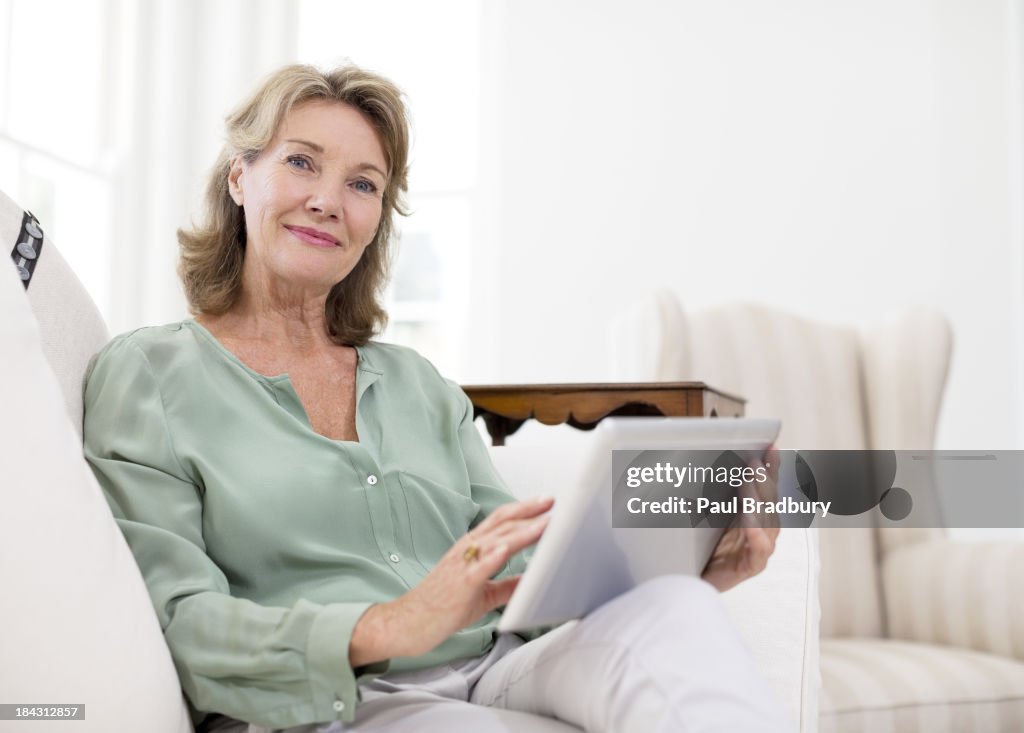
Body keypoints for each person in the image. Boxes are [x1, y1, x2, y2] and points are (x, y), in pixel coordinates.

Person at [83, 63, 793, 733]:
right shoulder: (150, 373)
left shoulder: (418, 385)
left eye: (363, 184)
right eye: (301, 161)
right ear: (240, 177)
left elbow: (518, 569)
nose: (329, 200)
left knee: (675, 606)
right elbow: (180, 617)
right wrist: (386, 624)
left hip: (492, 666)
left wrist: (687, 566)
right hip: (331, 700)